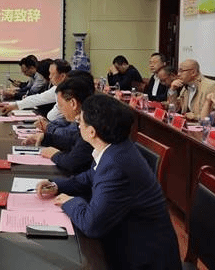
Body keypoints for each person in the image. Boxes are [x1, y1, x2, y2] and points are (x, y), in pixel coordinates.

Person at [36, 94, 181, 270]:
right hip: (125, 238)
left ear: (92, 132)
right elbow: (90, 176)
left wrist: (70, 202)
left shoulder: (116, 164)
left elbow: (92, 224)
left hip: (143, 259)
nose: (78, 124)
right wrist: (57, 185)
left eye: (81, 121)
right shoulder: (115, 147)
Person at [23, 75, 96, 174]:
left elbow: (73, 162)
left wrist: (54, 154)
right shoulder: (85, 118)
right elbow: (73, 141)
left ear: (73, 103)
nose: (60, 111)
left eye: (61, 105)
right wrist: (45, 138)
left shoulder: (92, 123)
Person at [2, 59, 71, 121]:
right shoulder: (58, 87)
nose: (49, 77)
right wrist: (15, 105)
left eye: (52, 74)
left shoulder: (70, 90)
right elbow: (39, 98)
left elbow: (53, 116)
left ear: (62, 76)